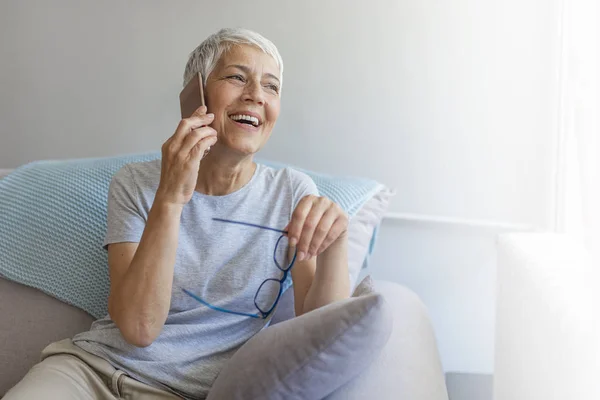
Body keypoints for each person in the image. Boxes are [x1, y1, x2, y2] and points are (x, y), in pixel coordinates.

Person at [5, 28, 350, 400]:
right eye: (237, 77)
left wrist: (335, 245)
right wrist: (170, 197)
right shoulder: (135, 183)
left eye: (272, 87)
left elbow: (323, 330)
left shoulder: (291, 193)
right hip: (90, 372)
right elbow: (139, 327)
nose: (255, 96)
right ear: (196, 95)